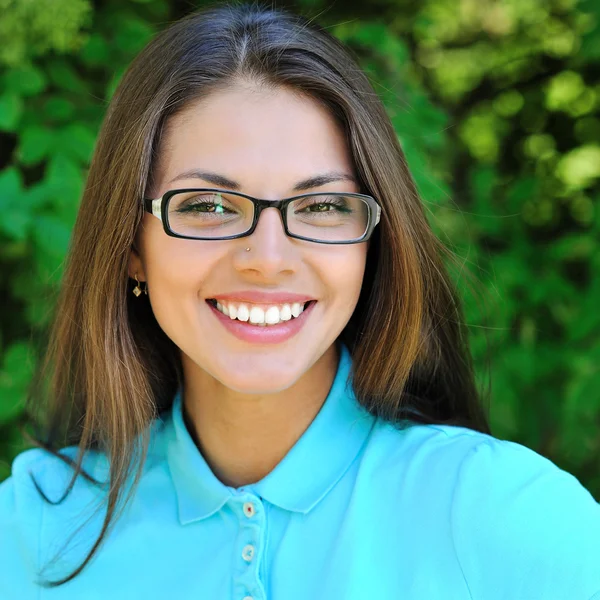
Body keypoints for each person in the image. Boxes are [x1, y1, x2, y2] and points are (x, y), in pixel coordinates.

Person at [1, 2, 599, 598]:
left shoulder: (504, 515)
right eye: (207, 206)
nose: (267, 257)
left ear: (372, 245)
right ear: (131, 244)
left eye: (322, 207)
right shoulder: (33, 528)